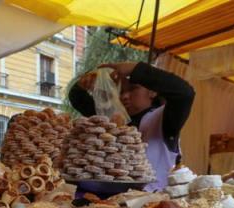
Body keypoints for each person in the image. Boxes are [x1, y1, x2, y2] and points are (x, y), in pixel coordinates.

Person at [68, 62, 195, 190]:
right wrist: (84, 84)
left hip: (154, 201)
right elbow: (77, 98)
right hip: (113, 201)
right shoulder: (114, 122)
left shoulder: (163, 118)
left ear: (152, 92)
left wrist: (135, 70)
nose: (124, 96)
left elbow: (185, 93)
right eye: (120, 91)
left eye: (133, 88)